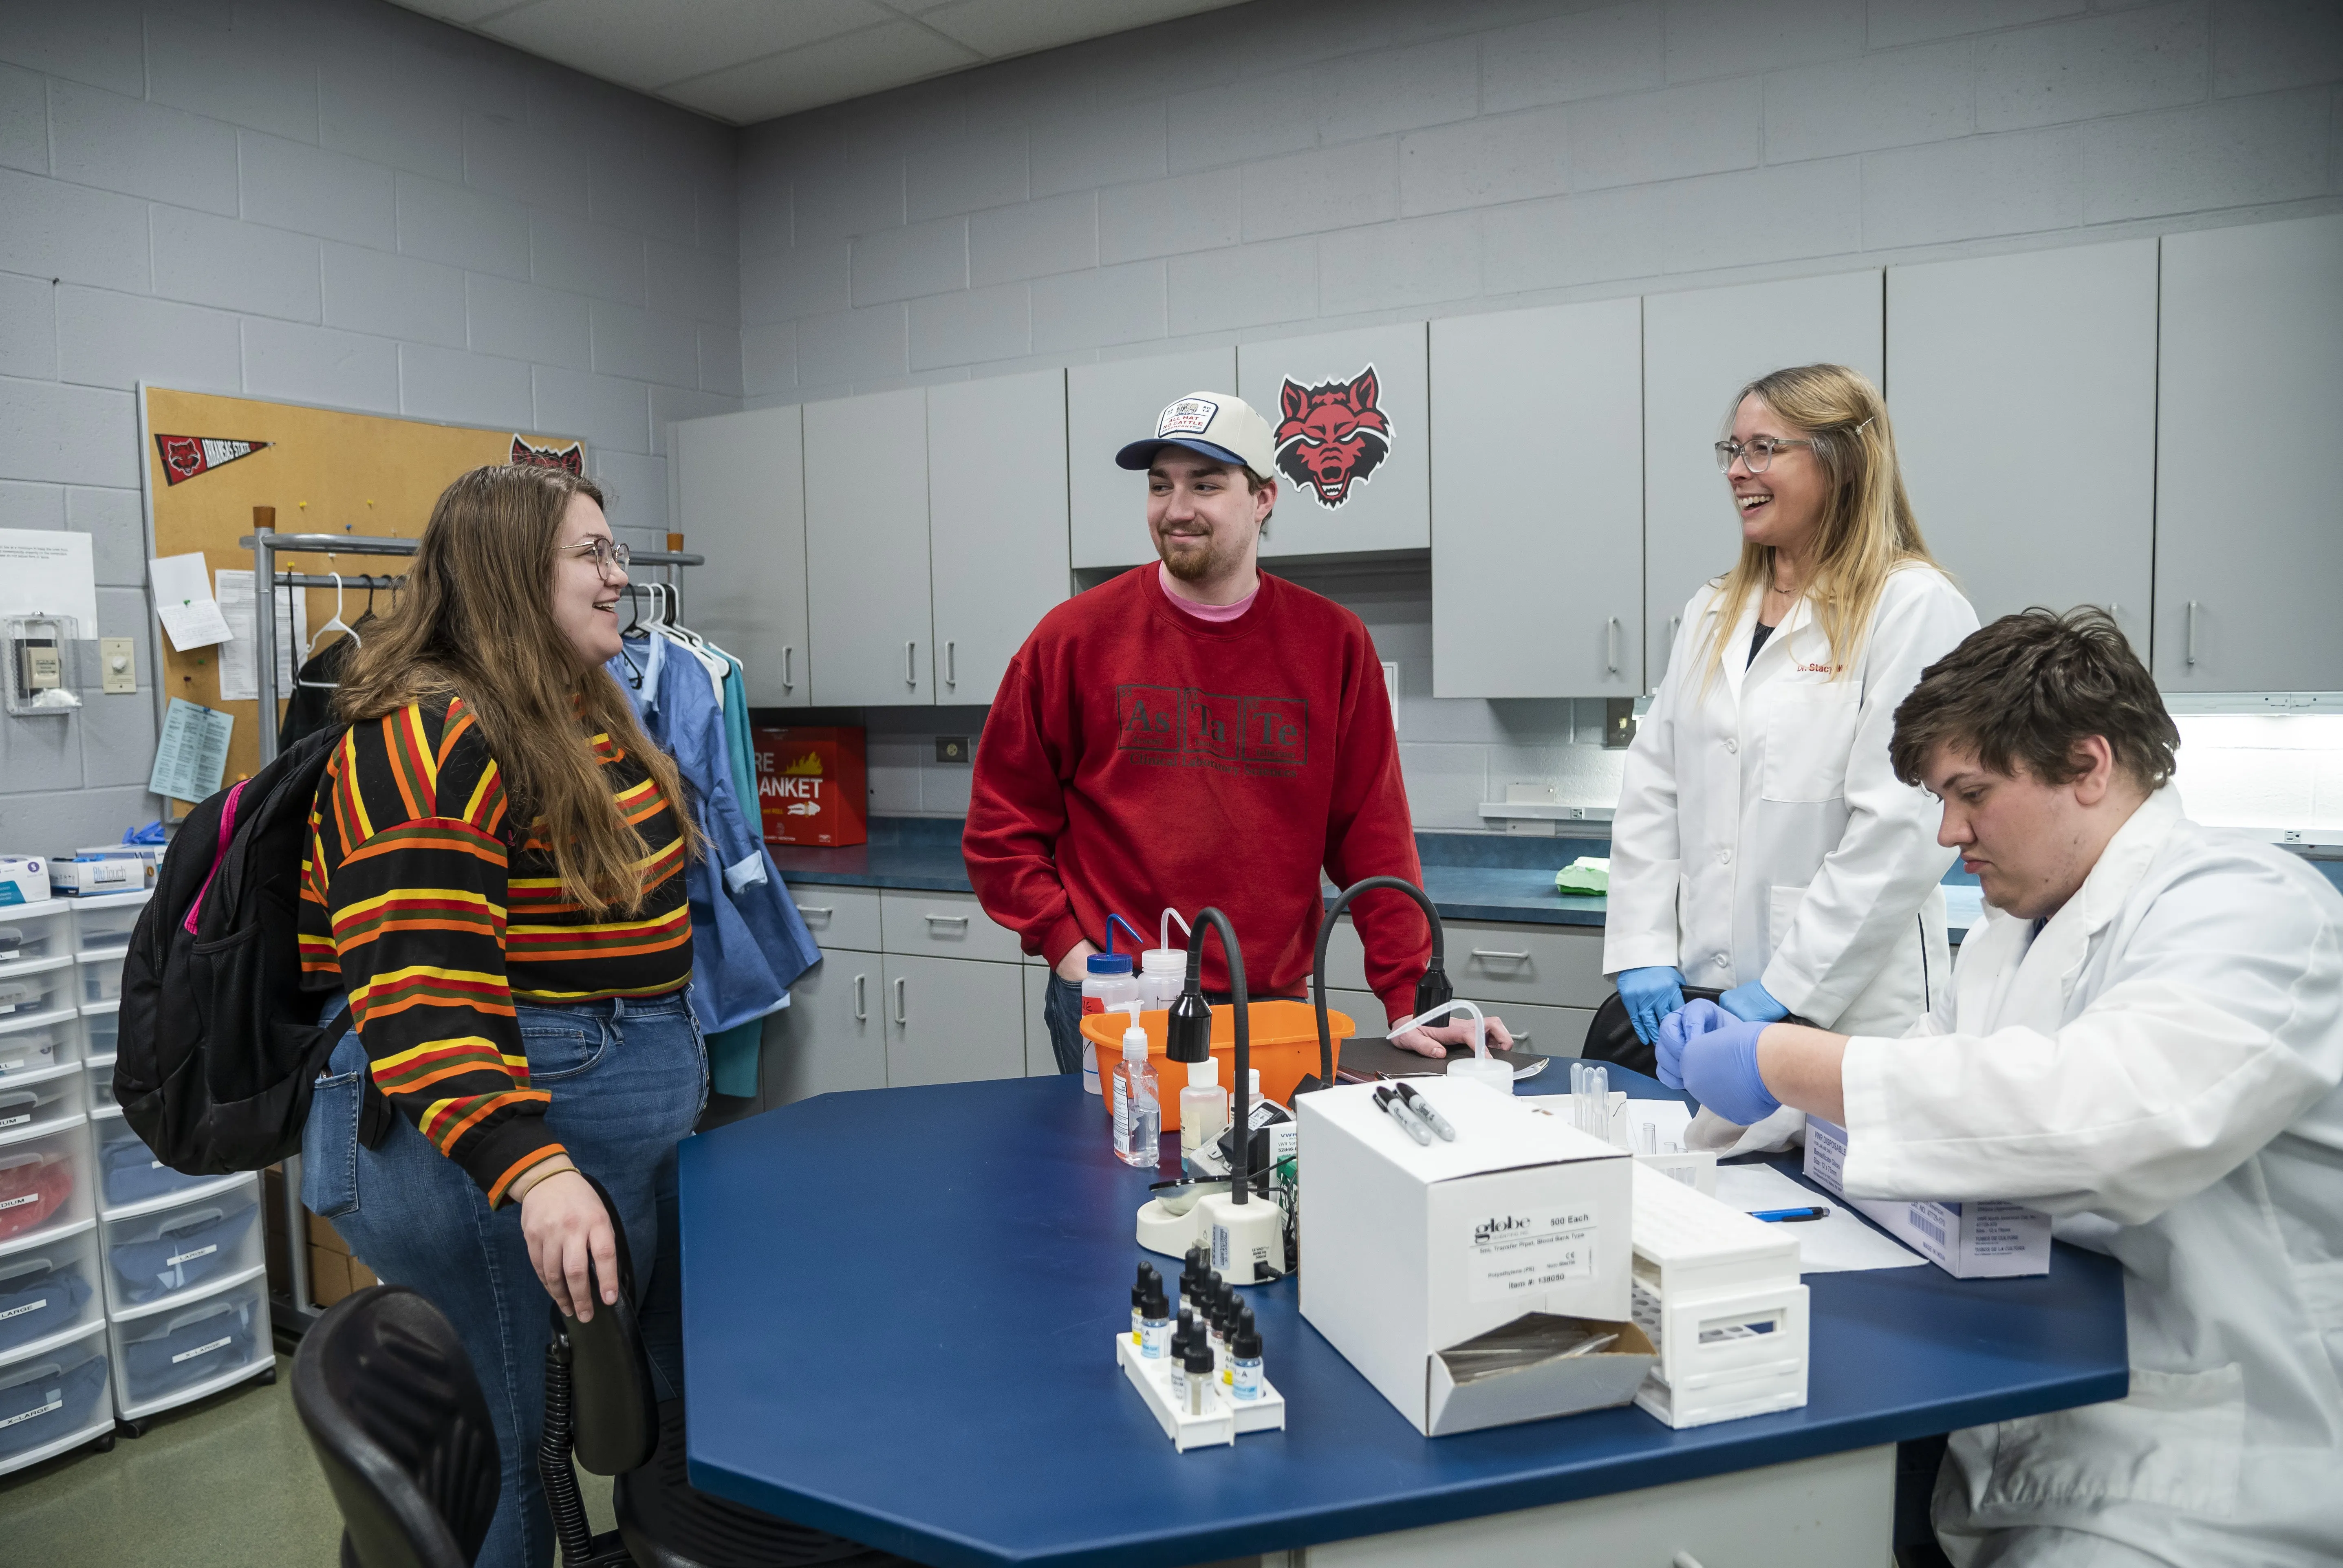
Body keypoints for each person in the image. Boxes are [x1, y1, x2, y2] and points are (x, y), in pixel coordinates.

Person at [1661, 609, 2343, 1568]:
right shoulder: (2016, 928)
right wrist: (1753, 1093)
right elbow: (1943, 1070)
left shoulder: (2253, 909)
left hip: (2210, 1475)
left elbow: (2101, 1114)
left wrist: (1782, 1059)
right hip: (2031, 1425)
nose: (1949, 832)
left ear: (2089, 765)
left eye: (1970, 793)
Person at [297, 464, 705, 1568]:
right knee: (509, 1457)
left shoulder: (565, 704)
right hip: (481, 1149)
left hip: (576, 1115)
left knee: (561, 1427)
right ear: (513, 574)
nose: (621, 578)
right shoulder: (428, 734)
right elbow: (415, 986)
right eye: (594, 556)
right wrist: (531, 1167)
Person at [964, 390, 1508, 1068]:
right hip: (1122, 1004)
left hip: (1272, 1008)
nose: (1177, 508)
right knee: (1122, 1176)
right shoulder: (1072, 640)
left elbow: (1373, 837)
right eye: (1161, 485)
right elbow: (999, 831)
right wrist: (1074, 955)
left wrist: (1408, 997)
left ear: (1263, 499)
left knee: (1270, 1176)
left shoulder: (1333, 645)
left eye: (1207, 485)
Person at [1605, 363, 1977, 1148]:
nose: (1738, 471)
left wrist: (1782, 989)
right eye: (1731, 450)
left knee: (1842, 1221)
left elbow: (1901, 825)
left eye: (1764, 449)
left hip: (1848, 1005)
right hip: (1708, 997)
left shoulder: (1912, 607)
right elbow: (1655, 786)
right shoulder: (1714, 610)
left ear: (1843, 458)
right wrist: (1643, 948)